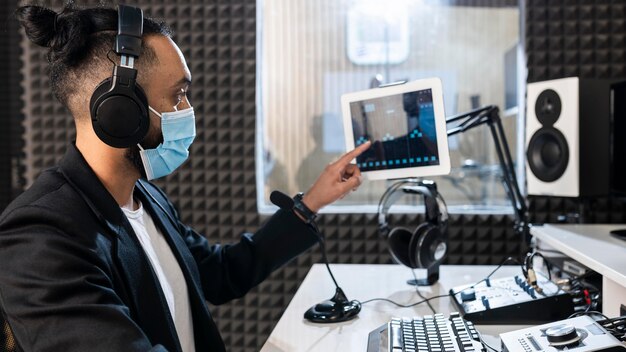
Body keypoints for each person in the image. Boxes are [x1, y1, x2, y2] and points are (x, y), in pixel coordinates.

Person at [0, 4, 370, 352]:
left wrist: (310, 203)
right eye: (178, 95)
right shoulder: (41, 236)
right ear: (120, 112)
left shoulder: (146, 198)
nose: (188, 111)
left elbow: (224, 274)